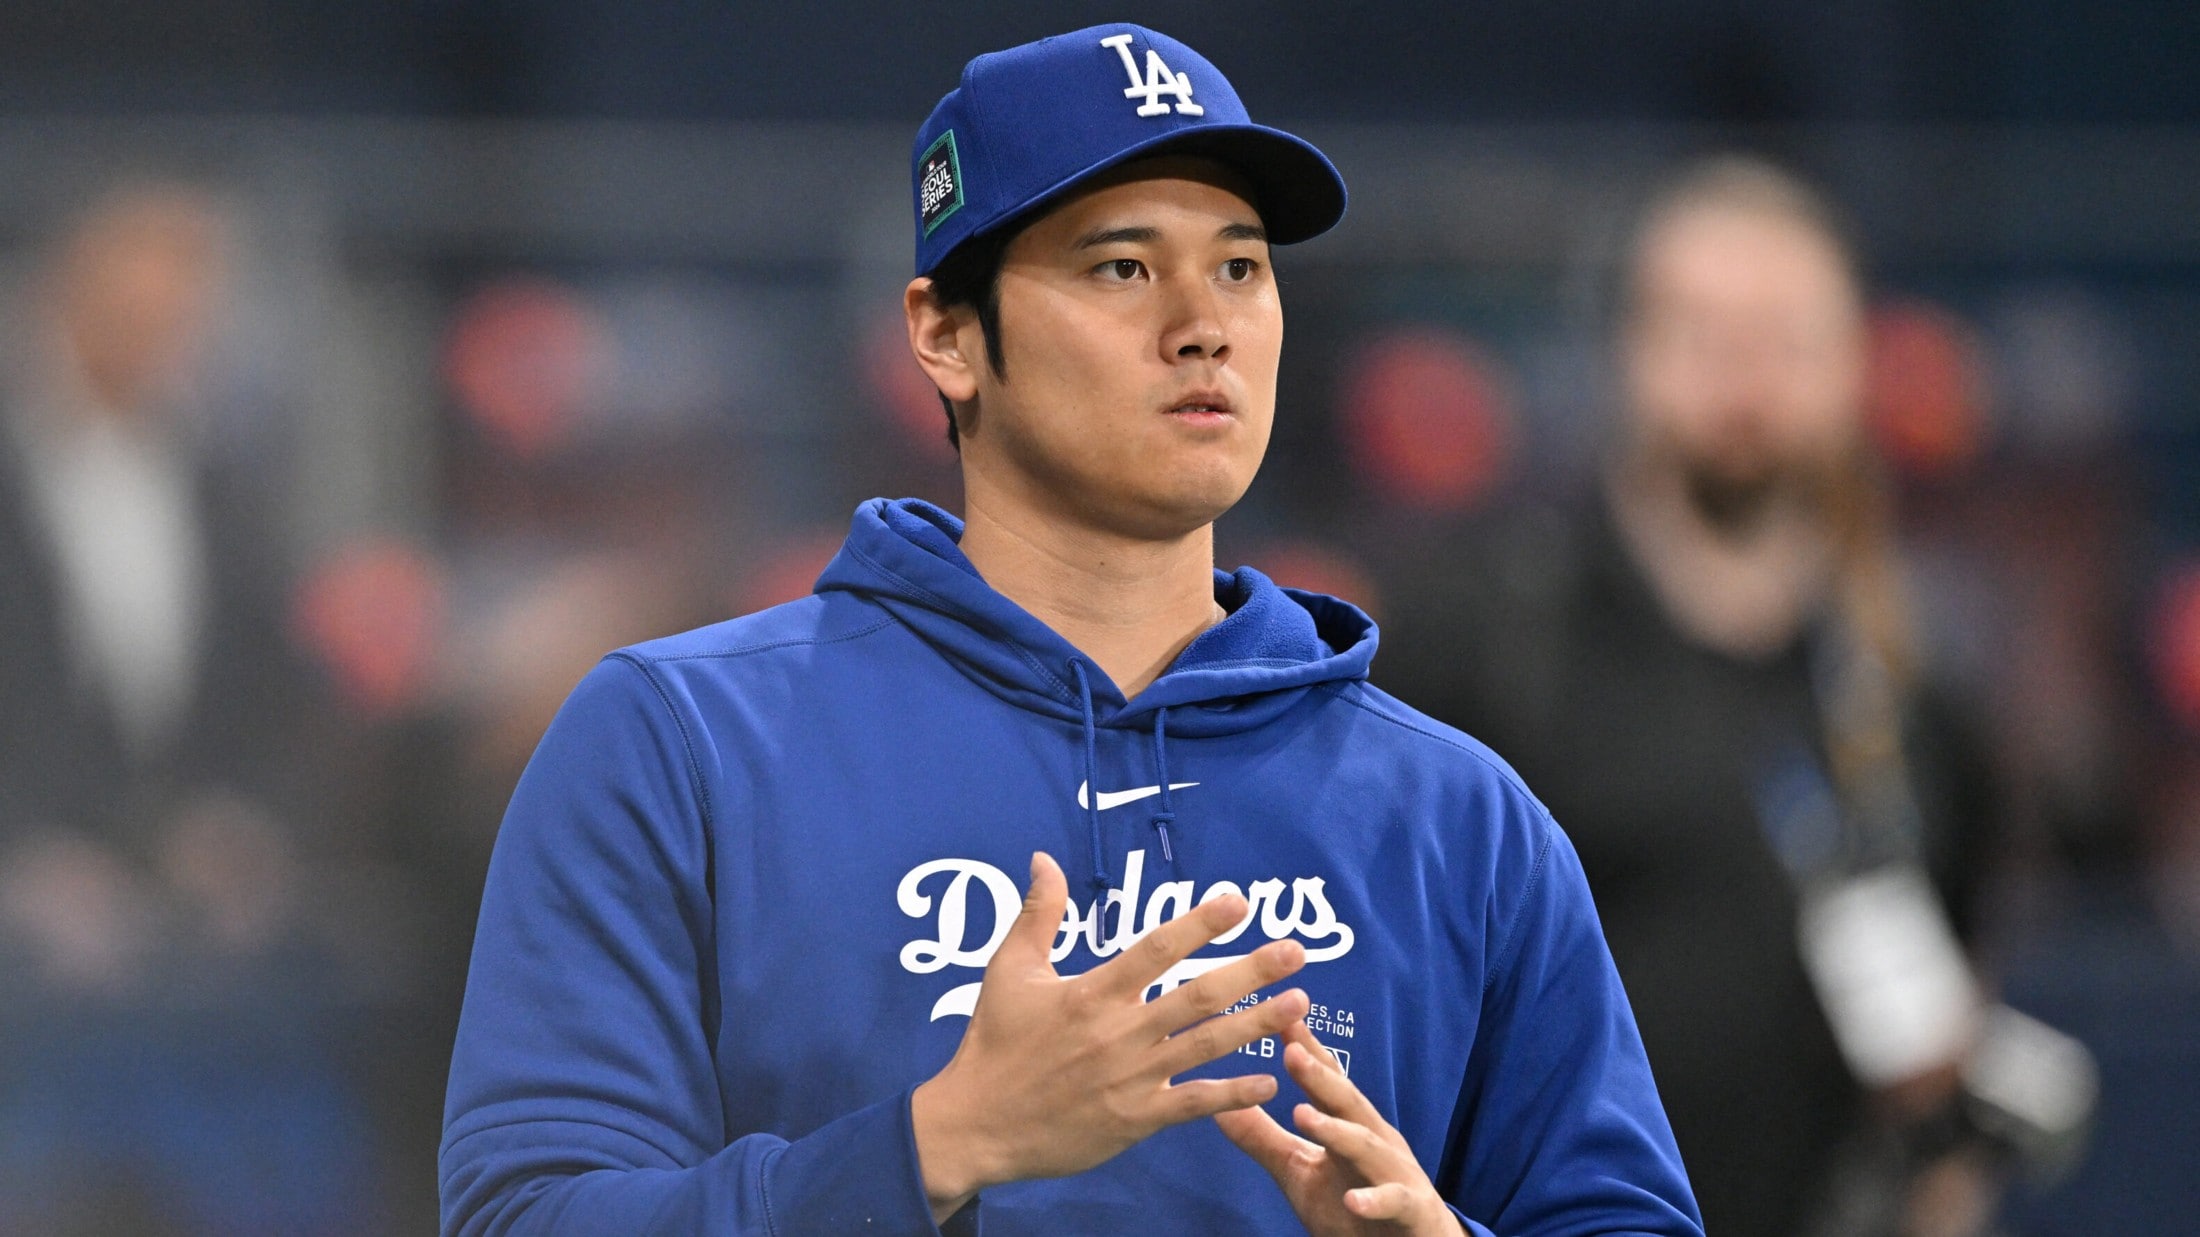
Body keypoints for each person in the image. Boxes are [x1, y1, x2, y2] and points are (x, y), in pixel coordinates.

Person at [440, 25, 1701, 1237]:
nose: (1202, 322)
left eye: (1241, 266)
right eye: (1122, 266)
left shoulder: (1452, 814)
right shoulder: (685, 744)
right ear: (945, 335)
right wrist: (936, 1149)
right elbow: (524, 1215)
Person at [1374, 157, 2051, 1237]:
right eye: (1702, 333)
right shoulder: (1482, 640)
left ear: (1849, 367)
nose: (1745, 379)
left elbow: (1947, 1028)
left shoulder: (1918, 694)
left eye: (1785, 338)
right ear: (1627, 356)